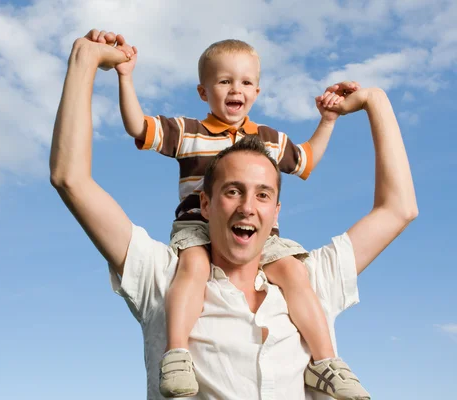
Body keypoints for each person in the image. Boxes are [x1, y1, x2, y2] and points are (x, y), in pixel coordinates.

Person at [50, 30, 418, 400]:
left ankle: (327, 365)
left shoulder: (307, 279)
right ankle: (176, 355)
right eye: (232, 191)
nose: (247, 207)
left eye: (262, 194)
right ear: (205, 203)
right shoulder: (166, 277)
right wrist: (87, 61)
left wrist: (374, 100)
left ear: (277, 210)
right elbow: (72, 179)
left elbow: (398, 208)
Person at [114, 35, 365, 398]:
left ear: (257, 92)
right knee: (194, 270)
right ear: (204, 92)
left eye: (246, 82)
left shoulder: (269, 140)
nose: (236, 88)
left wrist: (328, 119)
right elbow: (138, 126)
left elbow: (307, 160)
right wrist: (125, 76)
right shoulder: (189, 132)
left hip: (260, 238)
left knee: (294, 272)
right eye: (224, 81)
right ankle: (177, 353)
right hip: (198, 229)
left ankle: (325, 362)